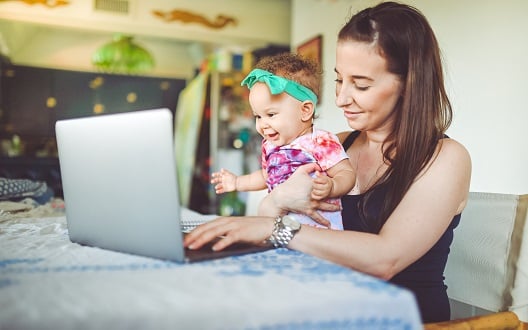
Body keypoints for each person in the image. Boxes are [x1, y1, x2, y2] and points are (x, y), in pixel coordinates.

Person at [185, 1, 471, 323]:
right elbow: (269, 216)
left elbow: (384, 259)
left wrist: (278, 227)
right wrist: (277, 200)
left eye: (361, 85)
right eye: (338, 80)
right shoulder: (331, 144)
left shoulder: (445, 158)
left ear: (409, 83)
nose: (341, 99)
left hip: (401, 319)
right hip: (324, 304)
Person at [211, 53, 356, 230]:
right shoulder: (270, 146)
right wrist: (237, 182)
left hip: (320, 231)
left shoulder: (320, 141)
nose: (263, 124)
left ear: (305, 111)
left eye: (271, 114)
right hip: (281, 228)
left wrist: (333, 186)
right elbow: (265, 176)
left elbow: (346, 173)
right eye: (258, 116)